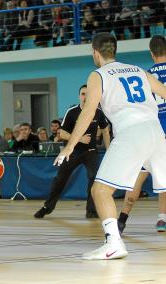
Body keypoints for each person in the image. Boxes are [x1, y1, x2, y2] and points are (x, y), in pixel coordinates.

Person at [54, 32, 166, 260]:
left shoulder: (98, 75)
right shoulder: (137, 70)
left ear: (95, 53)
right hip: (156, 131)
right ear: (115, 50)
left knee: (101, 190)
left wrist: (69, 146)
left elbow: (88, 112)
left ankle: (113, 243)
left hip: (131, 133)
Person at [34, 85, 110, 219]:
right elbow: (62, 133)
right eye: (83, 94)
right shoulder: (72, 112)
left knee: (94, 178)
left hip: (91, 152)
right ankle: (47, 207)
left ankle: (91, 210)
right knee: (60, 179)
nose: (85, 97)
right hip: (73, 152)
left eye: (88, 94)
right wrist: (79, 139)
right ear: (79, 96)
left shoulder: (98, 112)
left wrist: (109, 149)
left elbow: (105, 129)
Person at [117, 35, 166, 234]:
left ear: (151, 53)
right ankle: (162, 219)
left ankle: (122, 219)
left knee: (137, 178)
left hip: (150, 133)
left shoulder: (145, 76)